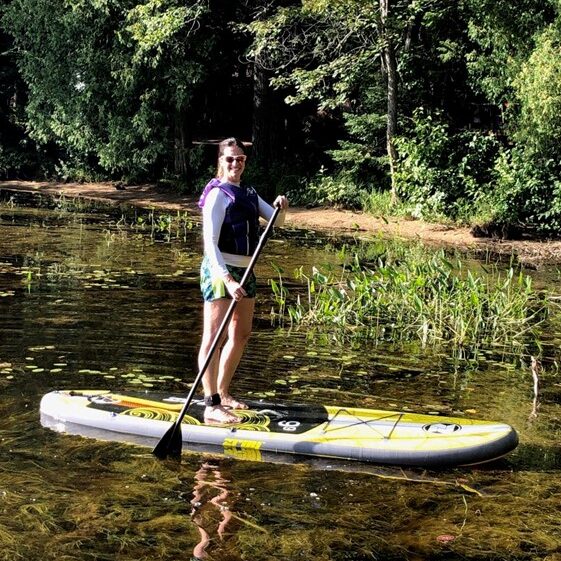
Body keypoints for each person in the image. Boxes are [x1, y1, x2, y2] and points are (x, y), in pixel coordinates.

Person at [197, 137, 288, 424]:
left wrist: (281, 208)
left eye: (240, 159)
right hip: (220, 271)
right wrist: (226, 278)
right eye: (230, 159)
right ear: (221, 162)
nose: (236, 163)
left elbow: (276, 221)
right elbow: (210, 244)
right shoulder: (217, 195)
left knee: (242, 333)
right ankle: (210, 404)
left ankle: (224, 394)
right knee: (214, 339)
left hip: (246, 272)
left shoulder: (248, 192)